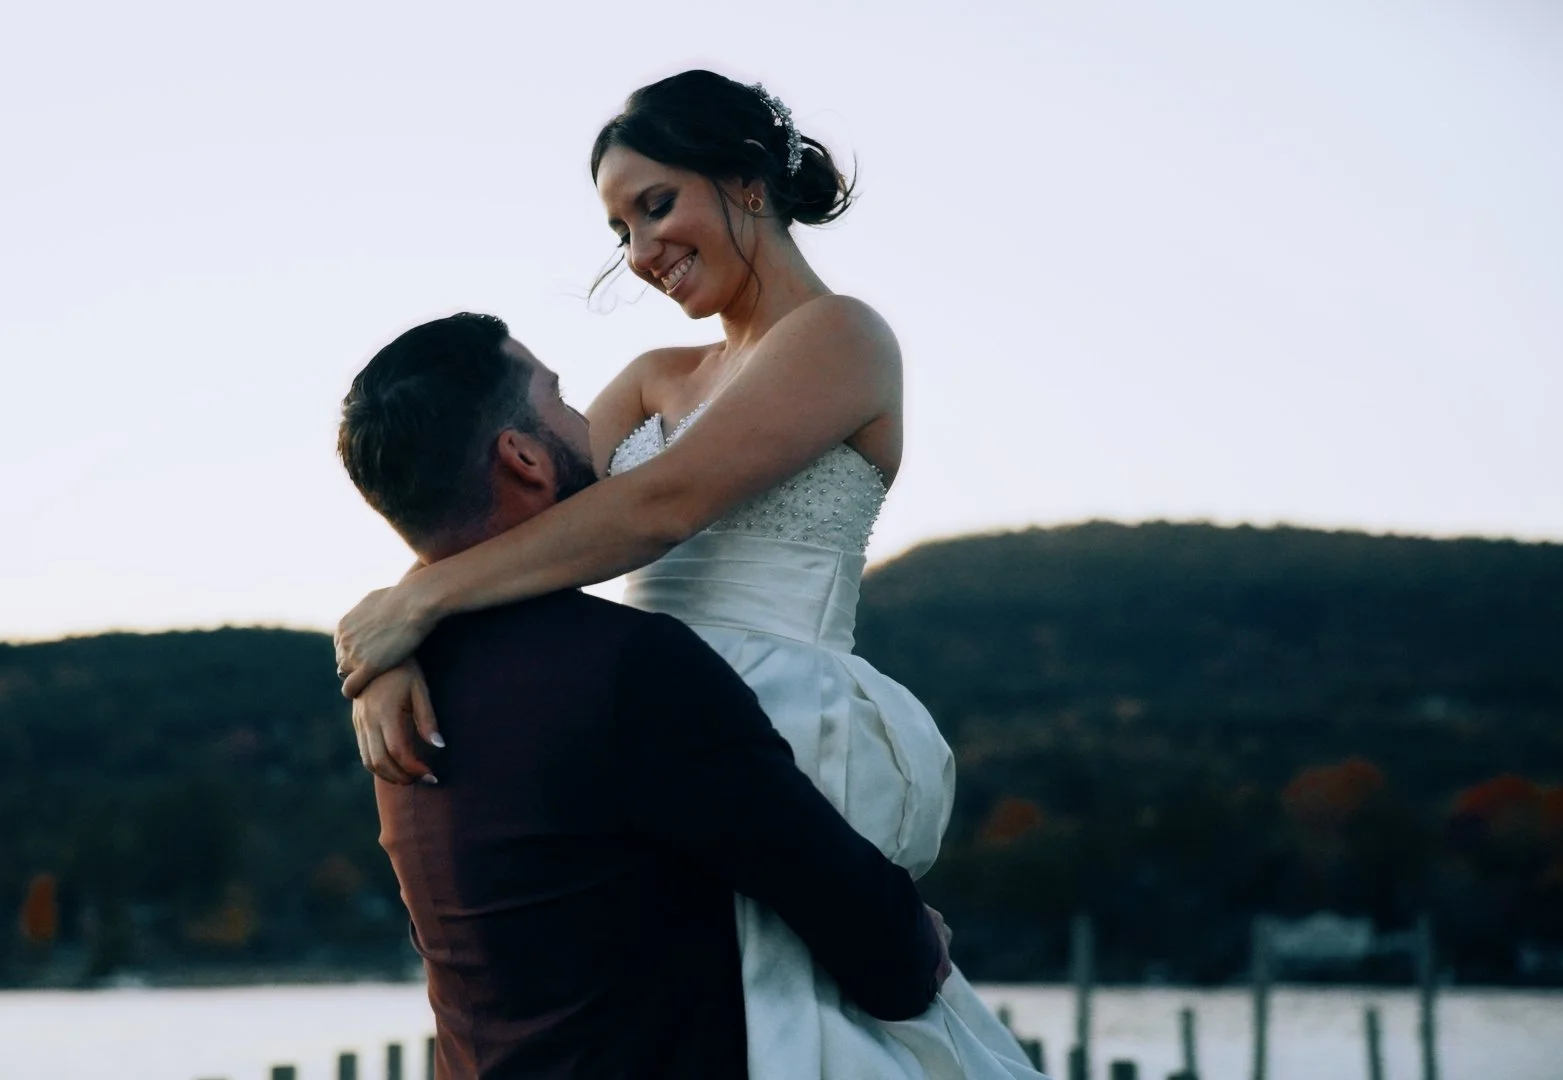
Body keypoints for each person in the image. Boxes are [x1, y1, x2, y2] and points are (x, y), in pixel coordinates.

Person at [334, 72, 1043, 1078]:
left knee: (801, 1020)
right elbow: (506, 515)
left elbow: (661, 509)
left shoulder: (841, 339)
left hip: (777, 717)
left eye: (657, 206)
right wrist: (399, 636)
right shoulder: (655, 378)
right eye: (621, 227)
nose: (640, 252)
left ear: (747, 180)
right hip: (623, 719)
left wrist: (416, 607)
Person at [337, 312, 953, 1079]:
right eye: (559, 398)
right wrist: (919, 941)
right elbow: (859, 926)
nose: (589, 423)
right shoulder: (631, 669)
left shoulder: (410, 688)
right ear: (523, 457)